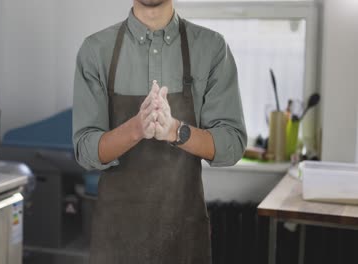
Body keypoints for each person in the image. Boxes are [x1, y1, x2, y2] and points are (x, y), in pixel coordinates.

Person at [73, 0, 247, 263]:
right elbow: (85, 150)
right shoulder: (96, 50)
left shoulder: (211, 48)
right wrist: (136, 128)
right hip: (116, 239)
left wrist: (176, 130)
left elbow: (231, 144)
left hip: (184, 237)